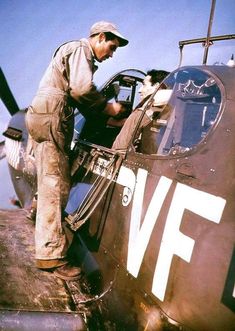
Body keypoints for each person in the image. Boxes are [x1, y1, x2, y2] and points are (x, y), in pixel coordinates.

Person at [25, 21, 129, 280]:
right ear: (101, 37)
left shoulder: (70, 52)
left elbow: (77, 97)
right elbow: (82, 90)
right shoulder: (82, 49)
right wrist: (110, 109)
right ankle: (51, 257)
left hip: (41, 113)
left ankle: (38, 212)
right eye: (112, 47)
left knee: (50, 175)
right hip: (52, 115)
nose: (112, 54)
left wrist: (105, 119)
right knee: (56, 183)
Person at [112, 69, 170, 150]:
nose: (139, 90)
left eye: (144, 85)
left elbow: (120, 148)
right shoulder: (167, 110)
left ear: (157, 86)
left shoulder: (146, 111)